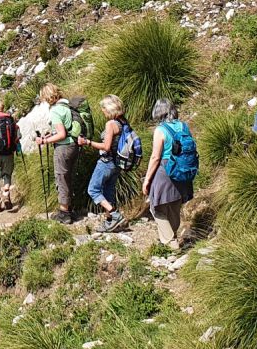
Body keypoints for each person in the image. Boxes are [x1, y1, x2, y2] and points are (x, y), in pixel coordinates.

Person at [141, 99, 195, 249]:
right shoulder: (184, 126)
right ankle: (173, 236)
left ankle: (171, 241)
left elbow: (155, 157)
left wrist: (147, 180)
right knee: (175, 204)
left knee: (156, 207)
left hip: (166, 168)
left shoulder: (160, 130)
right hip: (183, 168)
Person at [78, 94, 129, 232]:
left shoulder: (111, 124)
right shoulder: (123, 122)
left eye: (104, 108)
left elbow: (106, 146)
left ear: (110, 108)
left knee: (93, 189)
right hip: (117, 163)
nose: (103, 111)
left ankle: (114, 214)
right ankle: (109, 222)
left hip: (106, 162)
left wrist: (87, 142)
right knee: (108, 191)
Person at [37, 83, 78, 224]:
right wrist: (51, 135)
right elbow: (67, 129)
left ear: (47, 96)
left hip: (63, 148)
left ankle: (64, 213)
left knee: (61, 177)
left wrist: (44, 140)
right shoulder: (67, 106)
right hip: (73, 145)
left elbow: (61, 134)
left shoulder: (55, 111)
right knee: (68, 176)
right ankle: (69, 209)